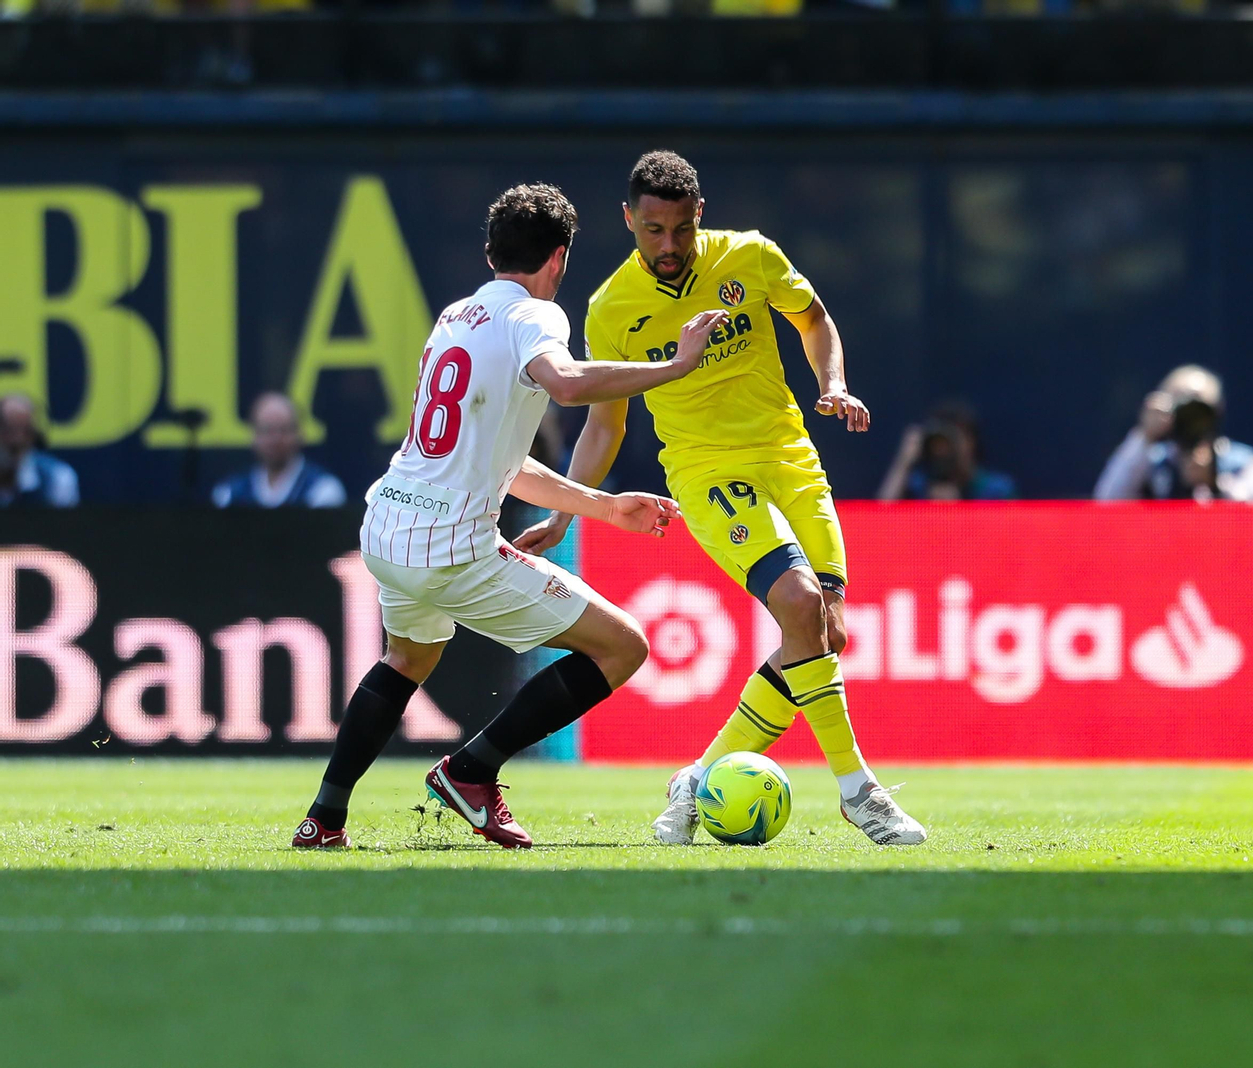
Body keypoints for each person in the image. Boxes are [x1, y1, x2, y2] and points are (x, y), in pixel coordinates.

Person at [293, 182, 730, 850]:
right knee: (623, 647)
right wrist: (675, 366)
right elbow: (567, 384)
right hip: (448, 546)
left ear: (492, 253)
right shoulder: (535, 316)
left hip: (387, 525)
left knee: (406, 659)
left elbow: (502, 462)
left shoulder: (457, 317)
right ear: (558, 259)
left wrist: (603, 507)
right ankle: (469, 772)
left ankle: (323, 818)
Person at [519, 150, 926, 845]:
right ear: (628, 220)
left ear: (699, 215)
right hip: (707, 475)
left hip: (790, 460)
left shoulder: (749, 256)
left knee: (824, 632)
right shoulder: (612, 307)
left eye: (681, 229)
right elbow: (605, 425)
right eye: (653, 230)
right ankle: (859, 791)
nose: (668, 245)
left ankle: (698, 777)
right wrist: (565, 512)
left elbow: (814, 318)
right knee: (797, 602)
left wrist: (832, 383)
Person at [1093, 365, 1253, 504]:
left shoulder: (1244, 463)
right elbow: (1106, 502)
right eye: (1182, 403)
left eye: (1199, 405)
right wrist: (1144, 436)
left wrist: (1216, 484)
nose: (1191, 415)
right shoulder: (1151, 461)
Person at [213, 392, 347, 509]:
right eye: (267, 430)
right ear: (253, 436)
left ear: (300, 435)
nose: (275, 440)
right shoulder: (230, 493)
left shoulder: (323, 490)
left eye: (284, 430)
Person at [877, 401, 1017, 501]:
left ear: (971, 441)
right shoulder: (918, 485)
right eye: (938, 442)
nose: (942, 450)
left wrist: (955, 513)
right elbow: (881, 519)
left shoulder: (996, 490)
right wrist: (903, 463)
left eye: (950, 441)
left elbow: (1009, 531)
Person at [0, 394, 80, 508]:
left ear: (34, 435)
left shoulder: (58, 478)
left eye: (26, 431)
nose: (16, 440)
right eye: (7, 430)